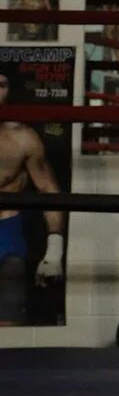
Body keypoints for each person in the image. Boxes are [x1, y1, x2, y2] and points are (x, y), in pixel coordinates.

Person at [0, 71, 65, 325]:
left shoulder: (23, 139)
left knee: (7, 336)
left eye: (2, 85)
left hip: (7, 239)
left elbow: (49, 190)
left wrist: (54, 251)